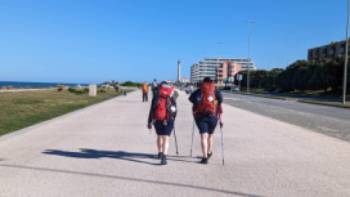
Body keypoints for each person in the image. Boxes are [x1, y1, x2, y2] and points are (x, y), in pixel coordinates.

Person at [189, 77, 223, 164]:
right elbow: (220, 101)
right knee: (210, 136)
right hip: (213, 116)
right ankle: (209, 152)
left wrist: (199, 104)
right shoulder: (215, 90)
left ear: (203, 82)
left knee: (203, 136)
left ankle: (204, 158)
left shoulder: (200, 90)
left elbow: (191, 99)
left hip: (201, 116)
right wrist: (214, 103)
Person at [147, 81, 178, 165]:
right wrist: (173, 118)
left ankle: (160, 152)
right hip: (168, 119)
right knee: (166, 138)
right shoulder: (172, 95)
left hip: (157, 119)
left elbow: (152, 109)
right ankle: (164, 157)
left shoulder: (156, 95)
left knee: (159, 136)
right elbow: (175, 109)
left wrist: (149, 121)